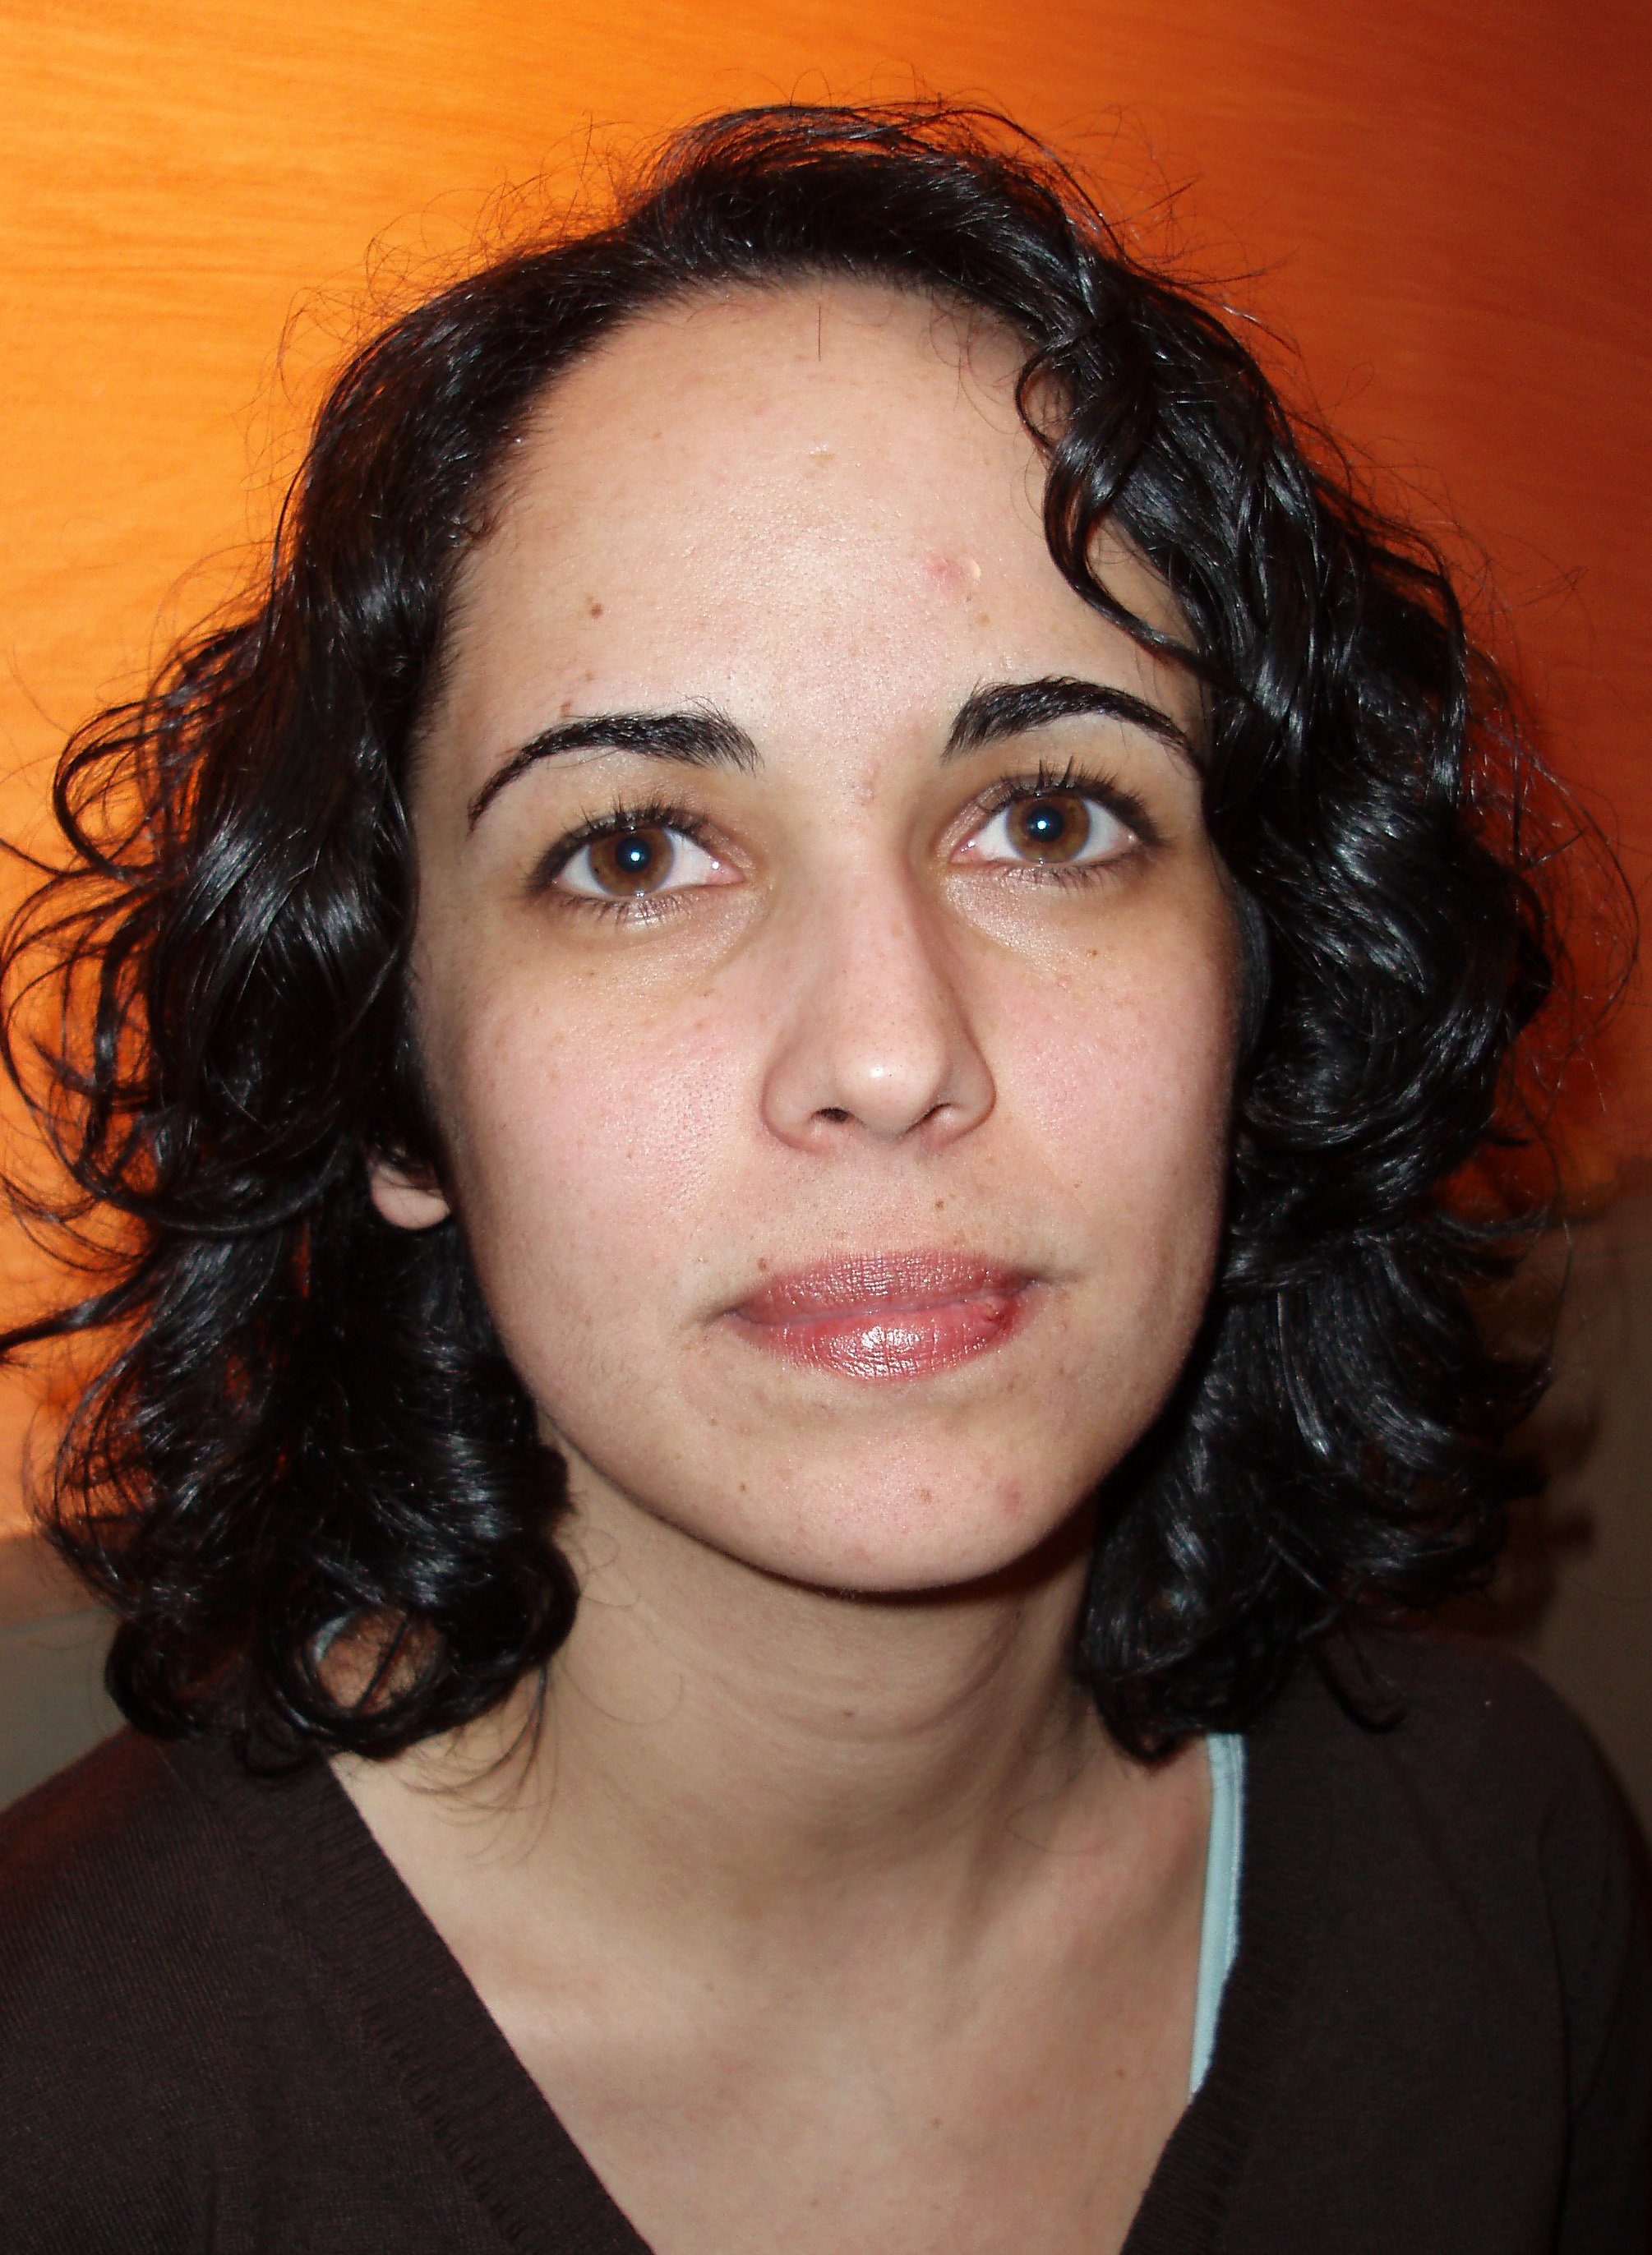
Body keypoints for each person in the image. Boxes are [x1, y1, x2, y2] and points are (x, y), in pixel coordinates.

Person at [0, 101, 1645, 2254]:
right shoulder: (70, 2120)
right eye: (632, 852)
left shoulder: (1496, 1862)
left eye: (1049, 819)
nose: (888, 1052)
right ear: (393, 1088)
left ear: (1257, 1000)